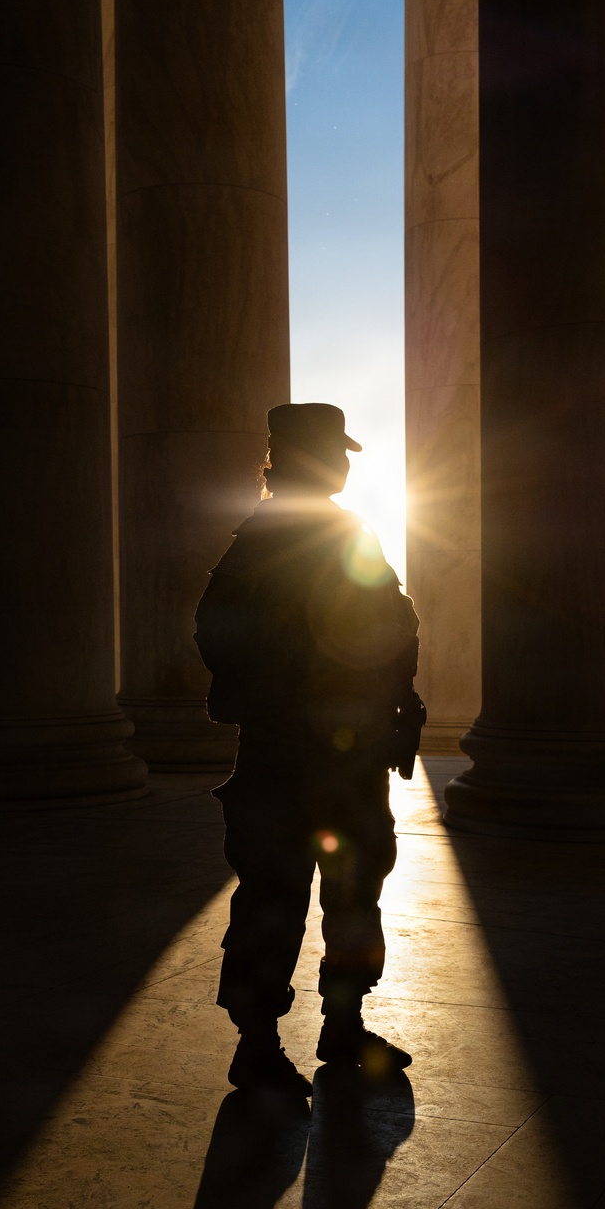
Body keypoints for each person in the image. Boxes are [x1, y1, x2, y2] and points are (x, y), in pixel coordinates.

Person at [194, 403, 425, 1097]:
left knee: (355, 891)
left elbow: (388, 618)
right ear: (296, 457)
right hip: (292, 753)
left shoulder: (338, 528)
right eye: (334, 451)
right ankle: (258, 1042)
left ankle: (343, 1023)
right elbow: (220, 633)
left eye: (345, 452)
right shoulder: (268, 538)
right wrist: (287, 701)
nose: (346, 464)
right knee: (277, 892)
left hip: (350, 753)